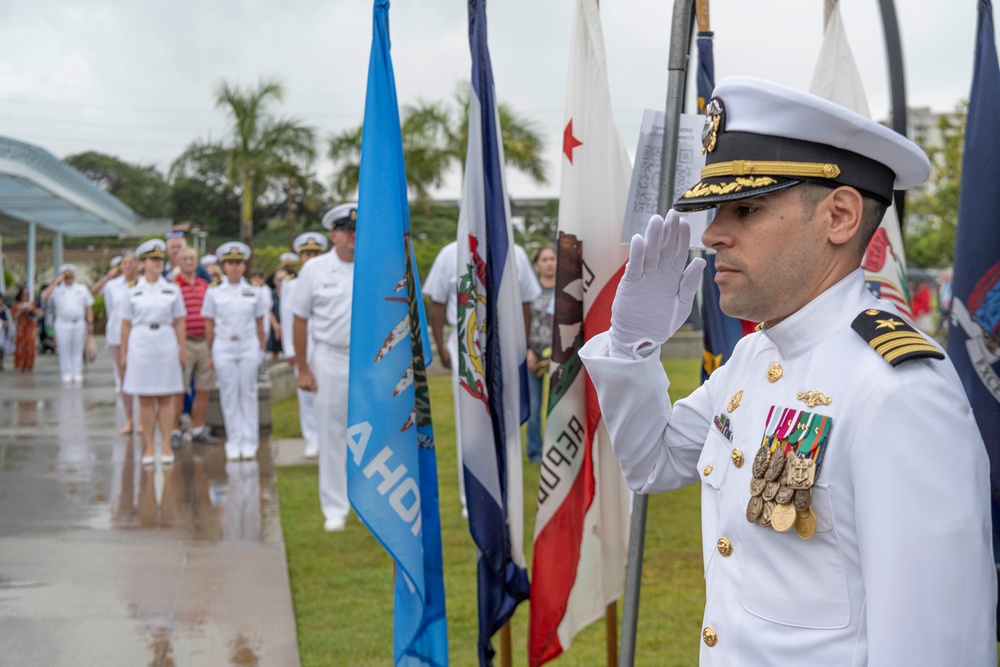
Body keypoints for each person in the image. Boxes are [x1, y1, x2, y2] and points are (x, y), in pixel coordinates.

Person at [579, 77, 995, 664]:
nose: (715, 233)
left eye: (746, 208)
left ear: (841, 216)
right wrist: (633, 346)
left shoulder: (895, 389)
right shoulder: (757, 356)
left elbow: (933, 645)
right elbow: (654, 462)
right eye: (716, 209)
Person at [423, 238, 541, 514]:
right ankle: (472, 496)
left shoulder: (516, 253)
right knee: (470, 419)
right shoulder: (449, 252)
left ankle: (505, 489)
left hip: (505, 342)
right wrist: (441, 347)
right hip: (466, 341)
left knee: (506, 418)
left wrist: (520, 349)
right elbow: (437, 304)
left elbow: (525, 304)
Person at [289, 203, 356, 531]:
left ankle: (370, 502)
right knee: (331, 434)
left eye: (356, 229)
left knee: (373, 433)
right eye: (346, 230)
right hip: (329, 357)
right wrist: (303, 368)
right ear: (334, 234)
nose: (352, 236)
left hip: (369, 361)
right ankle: (335, 507)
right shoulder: (314, 270)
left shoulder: (376, 265)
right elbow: (300, 320)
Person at [120, 239, 187, 466]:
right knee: (146, 398)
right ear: (143, 263)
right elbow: (125, 324)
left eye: (160, 259)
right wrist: (123, 354)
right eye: (153, 259)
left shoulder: (172, 289)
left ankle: (166, 445)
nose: (158, 263)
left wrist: (182, 349)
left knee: (167, 396)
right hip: (141, 343)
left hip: (166, 342)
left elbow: (179, 321)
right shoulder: (132, 291)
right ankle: (149, 447)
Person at [201, 242, 268, 462]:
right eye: (230, 263)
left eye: (238, 263)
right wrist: (210, 352)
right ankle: (234, 440)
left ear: (244, 265)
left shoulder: (254, 291)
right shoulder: (214, 292)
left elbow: (260, 323)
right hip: (224, 345)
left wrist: (261, 349)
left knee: (247, 392)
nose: (235, 267)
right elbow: (209, 325)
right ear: (224, 265)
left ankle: (250, 441)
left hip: (248, 345)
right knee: (229, 394)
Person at [280, 232, 327, 459]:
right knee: (306, 396)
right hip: (302, 346)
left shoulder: (328, 279)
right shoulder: (292, 284)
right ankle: (311, 439)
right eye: (306, 254)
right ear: (300, 257)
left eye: (315, 253)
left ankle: (327, 439)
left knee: (328, 395)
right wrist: (290, 350)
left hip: (325, 345)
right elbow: (288, 318)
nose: (310, 258)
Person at [173, 246, 219, 446]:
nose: (189, 262)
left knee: (203, 388)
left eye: (192, 258)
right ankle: (174, 429)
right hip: (184, 342)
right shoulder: (173, 286)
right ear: (178, 262)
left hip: (204, 342)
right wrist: (180, 347)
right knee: (179, 389)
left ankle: (198, 428)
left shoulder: (205, 286)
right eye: (185, 258)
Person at [93, 252, 140, 433]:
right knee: (123, 378)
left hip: (138, 335)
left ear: (138, 265)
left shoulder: (143, 284)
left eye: (131, 263)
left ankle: (143, 418)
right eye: (125, 263)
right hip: (116, 335)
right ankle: (129, 419)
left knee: (141, 377)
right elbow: (96, 292)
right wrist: (108, 275)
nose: (128, 266)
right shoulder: (112, 286)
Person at [525, 245, 556, 463]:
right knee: (535, 407)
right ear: (536, 265)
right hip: (533, 355)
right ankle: (535, 451)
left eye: (552, 258)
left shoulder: (564, 290)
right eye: (544, 259)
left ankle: (556, 449)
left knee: (557, 406)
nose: (549, 263)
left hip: (557, 356)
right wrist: (526, 350)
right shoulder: (529, 290)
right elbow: (521, 321)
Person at [41, 264, 94, 385]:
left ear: (74, 276)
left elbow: (88, 307)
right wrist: (56, 282)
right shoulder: (57, 290)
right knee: (64, 349)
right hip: (63, 323)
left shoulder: (81, 289)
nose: (68, 279)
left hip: (79, 322)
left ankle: (77, 372)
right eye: (66, 276)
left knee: (77, 349)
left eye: (70, 276)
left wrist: (90, 323)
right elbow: (44, 297)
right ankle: (66, 373)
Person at [12, 287, 40, 372]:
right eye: (24, 295)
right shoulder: (16, 304)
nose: (25, 297)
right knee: (21, 345)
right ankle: (20, 365)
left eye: (27, 295)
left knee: (30, 345)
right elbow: (14, 316)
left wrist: (31, 309)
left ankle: (29, 364)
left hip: (30, 327)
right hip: (21, 327)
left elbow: (39, 313)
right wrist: (21, 310)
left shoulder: (32, 303)